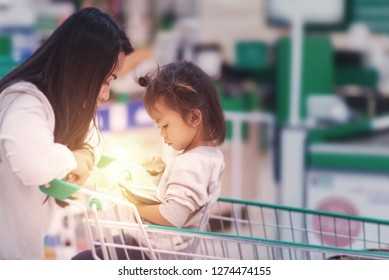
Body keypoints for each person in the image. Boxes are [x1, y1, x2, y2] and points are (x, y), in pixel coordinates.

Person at [0, 7, 134, 259]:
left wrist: (84, 156)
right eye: (105, 80)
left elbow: (94, 143)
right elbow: (35, 166)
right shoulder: (25, 102)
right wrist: (78, 160)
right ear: (82, 70)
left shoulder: (64, 105)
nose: (105, 94)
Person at [72, 60, 226, 260]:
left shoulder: (191, 164)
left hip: (154, 255)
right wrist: (161, 174)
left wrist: (134, 206)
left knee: (81, 262)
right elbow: (183, 196)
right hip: (159, 247)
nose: (162, 134)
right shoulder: (208, 156)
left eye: (164, 125)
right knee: (103, 246)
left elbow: (173, 215)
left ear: (194, 118)